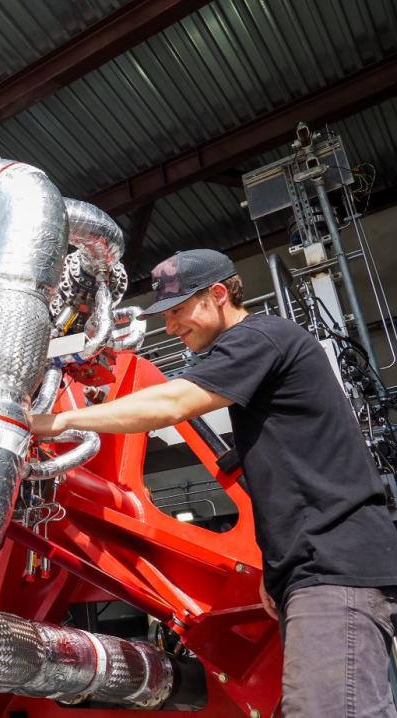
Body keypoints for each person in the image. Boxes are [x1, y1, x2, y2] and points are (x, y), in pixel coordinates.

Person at [32, 248, 397, 717]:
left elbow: (172, 403)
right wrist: (278, 566)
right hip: (313, 571)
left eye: (178, 310)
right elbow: (291, 478)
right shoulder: (263, 350)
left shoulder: (261, 336)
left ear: (218, 294)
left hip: (335, 569)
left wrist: (59, 422)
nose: (171, 328)